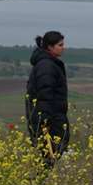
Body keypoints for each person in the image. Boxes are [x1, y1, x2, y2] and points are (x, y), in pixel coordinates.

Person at [25, 31, 69, 168]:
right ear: (50, 47)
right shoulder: (47, 66)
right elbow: (45, 94)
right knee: (48, 156)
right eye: (60, 45)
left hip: (51, 116)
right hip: (49, 119)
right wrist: (45, 121)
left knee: (50, 154)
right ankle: (40, 184)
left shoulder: (48, 63)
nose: (63, 47)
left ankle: (42, 184)